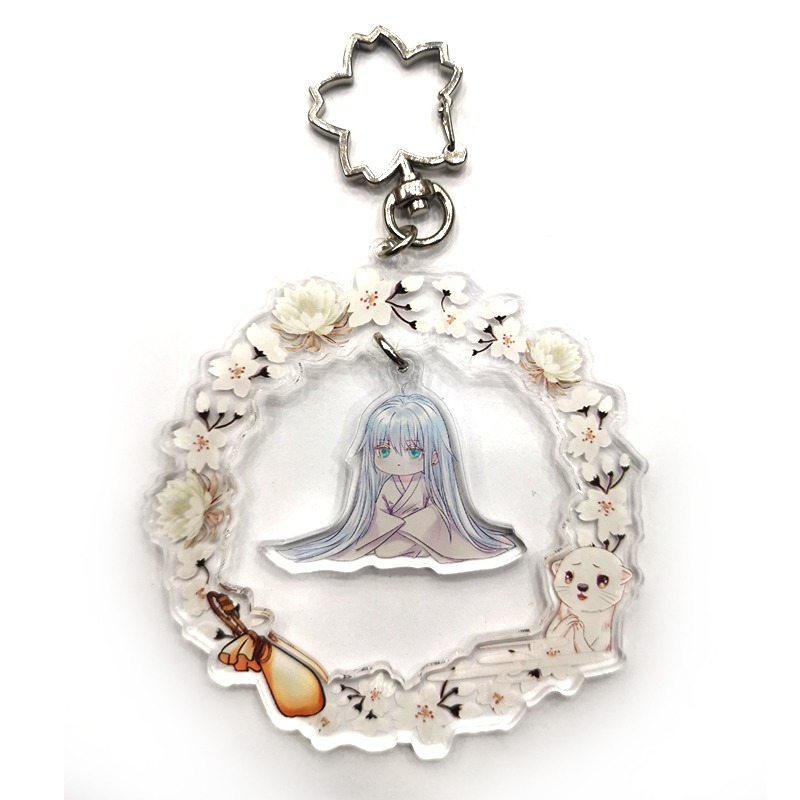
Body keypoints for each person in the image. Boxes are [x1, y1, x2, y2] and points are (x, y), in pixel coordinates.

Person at [275, 392, 518, 565]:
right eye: (383, 451)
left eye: (414, 452)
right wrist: (393, 525)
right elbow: (378, 515)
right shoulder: (388, 486)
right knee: (386, 550)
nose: (398, 461)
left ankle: (416, 546)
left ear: (434, 455)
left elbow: (435, 514)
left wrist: (412, 525)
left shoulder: (426, 485)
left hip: (426, 537)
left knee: (409, 540)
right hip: (391, 535)